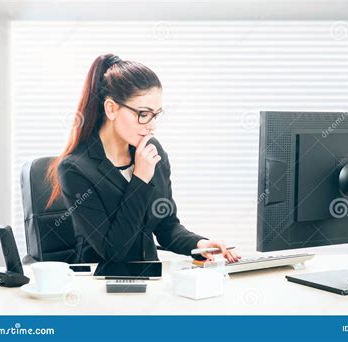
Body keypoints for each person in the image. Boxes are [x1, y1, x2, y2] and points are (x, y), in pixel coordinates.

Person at [46, 54, 241, 264]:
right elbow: (113, 251)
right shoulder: (75, 169)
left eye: (155, 114)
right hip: (100, 282)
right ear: (111, 108)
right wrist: (140, 179)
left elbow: (167, 227)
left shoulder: (151, 151)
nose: (151, 125)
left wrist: (198, 244)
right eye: (143, 114)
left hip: (149, 276)